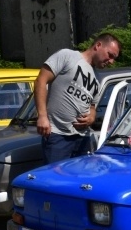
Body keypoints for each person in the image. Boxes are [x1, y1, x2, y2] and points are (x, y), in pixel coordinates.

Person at [35, 33, 122, 164]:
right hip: (59, 135)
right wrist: (42, 116)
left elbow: (92, 105)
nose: (111, 61)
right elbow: (41, 81)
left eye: (114, 59)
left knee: (79, 181)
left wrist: (92, 116)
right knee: (56, 181)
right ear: (98, 45)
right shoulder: (68, 56)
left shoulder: (97, 77)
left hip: (83, 138)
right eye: (110, 55)